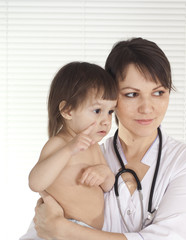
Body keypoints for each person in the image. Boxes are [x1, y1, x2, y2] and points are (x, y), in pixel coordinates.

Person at [31, 37, 186, 240]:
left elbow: (173, 237)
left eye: (159, 92)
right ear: (111, 95)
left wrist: (66, 231)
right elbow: (43, 228)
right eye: (132, 94)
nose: (147, 108)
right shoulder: (86, 152)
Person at [20, 62, 118, 239]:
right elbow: (35, 183)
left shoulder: (94, 147)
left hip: (81, 232)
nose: (106, 120)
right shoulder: (59, 144)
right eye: (97, 110)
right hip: (53, 230)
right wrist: (69, 150)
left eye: (110, 111)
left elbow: (109, 185)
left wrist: (104, 173)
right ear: (67, 110)